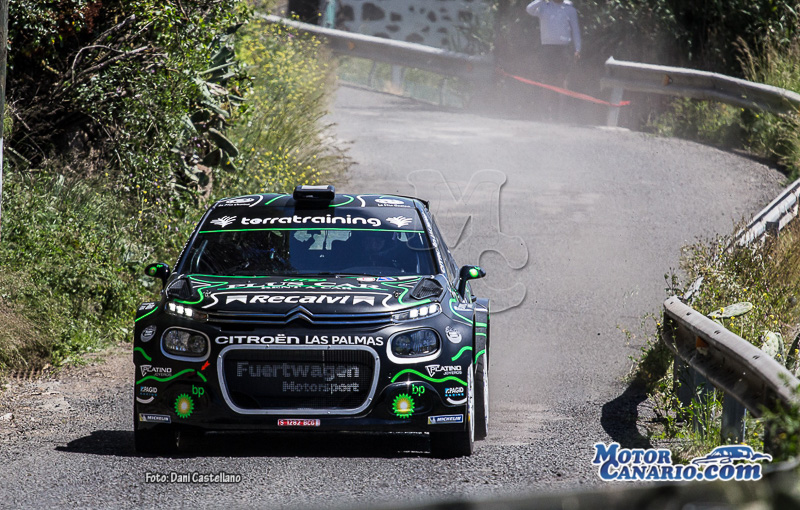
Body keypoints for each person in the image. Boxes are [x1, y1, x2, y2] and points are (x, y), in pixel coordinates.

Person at [526, 0, 581, 88]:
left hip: (563, 49)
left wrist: (577, 49)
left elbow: (575, 30)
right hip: (547, 48)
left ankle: (562, 97)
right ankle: (547, 97)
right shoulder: (544, 7)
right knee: (547, 78)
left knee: (562, 78)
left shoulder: (569, 9)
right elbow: (529, 9)